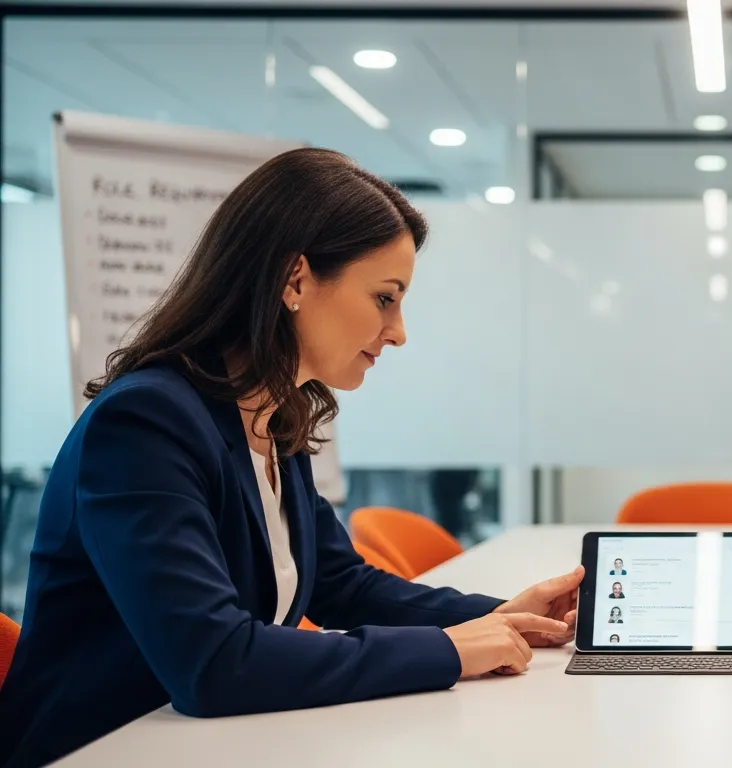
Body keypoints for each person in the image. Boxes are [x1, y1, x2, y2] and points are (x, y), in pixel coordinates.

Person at [0, 149, 585, 767]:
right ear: (295, 279)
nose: (398, 331)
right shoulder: (146, 422)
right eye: (384, 298)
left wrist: (500, 616)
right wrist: (447, 651)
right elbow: (213, 663)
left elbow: (339, 584)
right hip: (101, 750)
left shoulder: (271, 415)